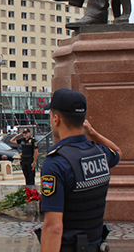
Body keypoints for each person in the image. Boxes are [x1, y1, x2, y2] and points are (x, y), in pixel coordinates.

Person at [39, 88, 122, 252]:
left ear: (56, 119)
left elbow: (54, 227)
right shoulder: (99, 152)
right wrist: (93, 133)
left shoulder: (56, 163)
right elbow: (118, 152)